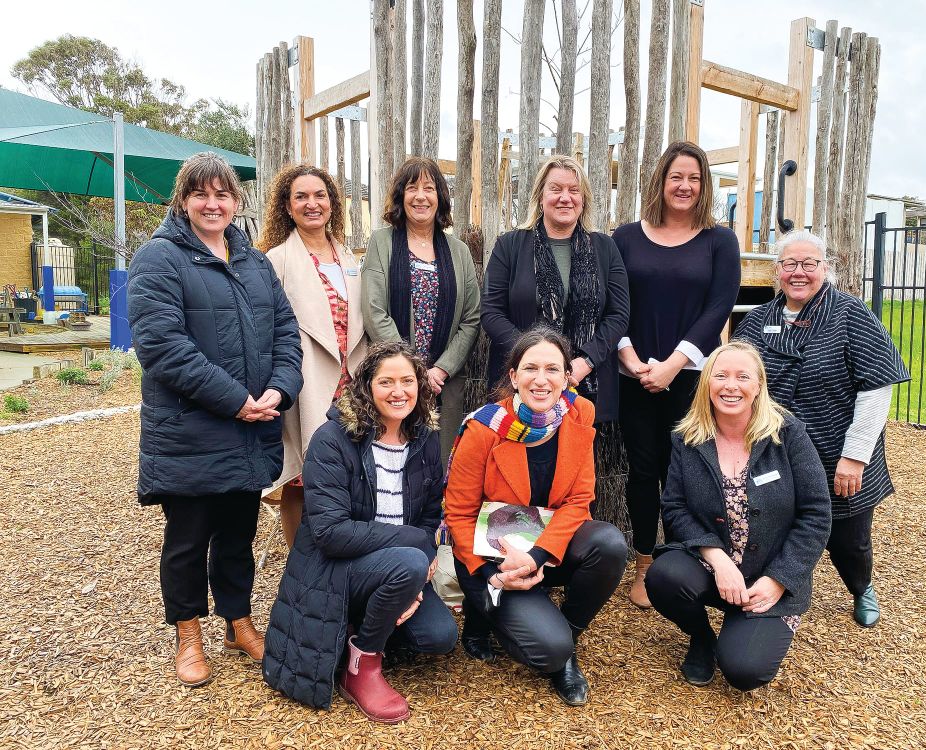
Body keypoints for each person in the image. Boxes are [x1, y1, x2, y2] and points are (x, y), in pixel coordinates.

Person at [127, 152, 303, 687]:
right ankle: (187, 634)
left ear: (236, 202)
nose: (213, 204)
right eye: (201, 194)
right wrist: (235, 399)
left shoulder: (253, 262)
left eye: (223, 195)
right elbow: (163, 347)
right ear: (183, 200)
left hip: (250, 427)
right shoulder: (159, 259)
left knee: (237, 533)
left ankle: (238, 621)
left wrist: (279, 388)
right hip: (191, 429)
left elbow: (286, 333)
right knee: (187, 539)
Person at [263, 342, 458, 723]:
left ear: (420, 386)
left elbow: (430, 513)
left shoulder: (425, 440)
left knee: (439, 637)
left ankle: (365, 621)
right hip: (335, 569)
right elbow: (331, 533)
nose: (398, 391)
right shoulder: (332, 440)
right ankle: (361, 664)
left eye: (407, 380)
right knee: (410, 559)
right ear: (366, 387)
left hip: (400, 566)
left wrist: (416, 580)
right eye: (386, 382)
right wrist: (417, 553)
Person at [444, 326, 627, 706]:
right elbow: (459, 514)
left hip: (544, 546)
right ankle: (483, 614)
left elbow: (579, 500)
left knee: (608, 544)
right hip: (493, 555)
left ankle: (568, 640)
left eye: (552, 369)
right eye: (530, 369)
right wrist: (492, 574)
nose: (541, 380)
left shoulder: (580, 414)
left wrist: (537, 556)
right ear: (513, 377)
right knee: (546, 649)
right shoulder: (484, 429)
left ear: (566, 377)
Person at [735, 230, 910, 627]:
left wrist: (855, 456)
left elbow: (877, 387)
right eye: (790, 264)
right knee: (774, 524)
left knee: (849, 537)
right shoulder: (759, 320)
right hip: (775, 451)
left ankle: (861, 587)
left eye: (809, 264)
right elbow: (735, 375)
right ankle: (773, 590)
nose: (799, 273)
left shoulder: (851, 314)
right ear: (777, 272)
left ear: (825, 269)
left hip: (837, 449)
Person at [645, 342, 831, 691]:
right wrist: (719, 560)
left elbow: (817, 514)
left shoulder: (788, 433)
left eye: (742, 376)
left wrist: (779, 579)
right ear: (706, 384)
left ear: (758, 385)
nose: (731, 386)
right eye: (721, 376)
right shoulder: (687, 439)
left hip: (770, 575)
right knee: (664, 577)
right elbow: (674, 508)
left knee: (745, 672)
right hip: (714, 569)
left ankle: (743, 625)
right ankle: (702, 637)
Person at [612, 141, 741, 608]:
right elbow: (614, 304)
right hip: (635, 374)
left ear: (704, 185)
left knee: (689, 472)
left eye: (694, 179)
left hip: (691, 377)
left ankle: (688, 558)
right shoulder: (625, 238)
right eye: (676, 177)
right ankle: (646, 562)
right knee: (643, 471)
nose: (684, 186)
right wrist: (630, 358)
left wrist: (674, 363)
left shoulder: (719, 241)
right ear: (660, 181)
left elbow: (719, 306)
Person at [260, 164, 368, 548]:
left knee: (351, 470)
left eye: (320, 195)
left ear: (332, 204)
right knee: (302, 474)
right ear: (287, 208)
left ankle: (344, 556)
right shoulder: (276, 259)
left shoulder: (350, 258)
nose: (312, 204)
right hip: (308, 377)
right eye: (301, 197)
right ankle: (298, 563)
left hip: (352, 378)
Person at [480, 155, 630, 425]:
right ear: (540, 196)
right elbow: (491, 312)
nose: (565, 198)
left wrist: (584, 362)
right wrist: (534, 358)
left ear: (583, 200)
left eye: (574, 190)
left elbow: (618, 315)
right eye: (556, 189)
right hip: (523, 384)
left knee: (575, 464)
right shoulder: (509, 246)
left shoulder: (605, 248)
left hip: (586, 383)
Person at [361, 156, 481, 453]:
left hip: (444, 382)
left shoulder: (459, 251)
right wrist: (412, 370)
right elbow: (374, 310)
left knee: (436, 465)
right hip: (394, 380)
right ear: (401, 195)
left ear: (440, 197)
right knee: (392, 458)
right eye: (412, 187)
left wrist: (439, 370)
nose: (420, 196)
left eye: (429, 188)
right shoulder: (382, 242)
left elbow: (471, 318)